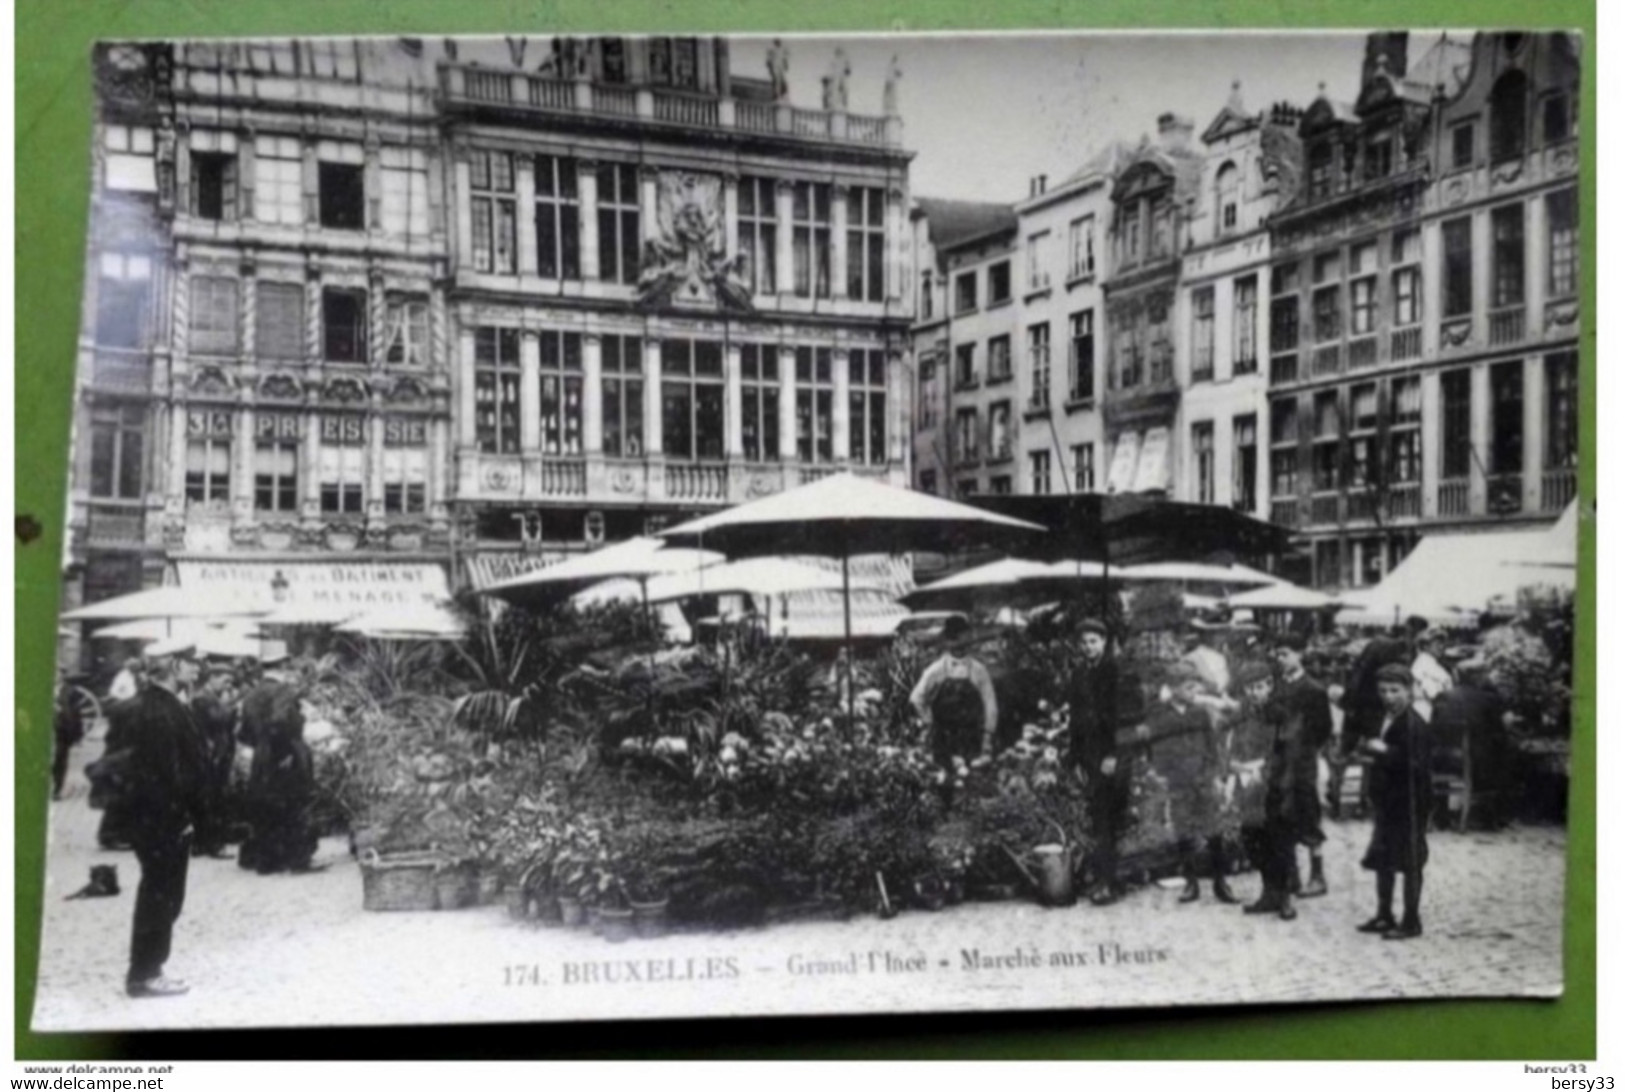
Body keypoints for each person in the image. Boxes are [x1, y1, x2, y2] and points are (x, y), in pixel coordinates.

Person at [120, 642, 209, 998]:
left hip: (155, 820)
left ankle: (146, 970)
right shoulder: (161, 711)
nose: (198, 670)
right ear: (173, 665)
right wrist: (181, 818)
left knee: (161, 895)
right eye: (191, 664)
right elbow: (165, 775)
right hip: (163, 822)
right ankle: (145, 974)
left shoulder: (157, 704)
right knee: (161, 896)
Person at [1065, 618, 1145, 906]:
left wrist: (1113, 754)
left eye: (1093, 641)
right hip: (1089, 754)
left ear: (1105, 641)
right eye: (1084, 642)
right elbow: (1075, 718)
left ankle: (1109, 883)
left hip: (1113, 755)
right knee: (1098, 817)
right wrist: (1073, 757)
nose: (1088, 647)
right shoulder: (1079, 674)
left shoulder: (1116, 671)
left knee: (1108, 818)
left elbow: (1126, 717)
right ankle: (1106, 877)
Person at [1145, 662, 1236, 905]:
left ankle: (1220, 881)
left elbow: (1211, 745)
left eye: (1195, 685)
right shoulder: (1160, 715)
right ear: (1173, 688)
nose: (1194, 691)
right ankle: (1191, 882)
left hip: (1203, 778)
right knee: (1184, 830)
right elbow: (1157, 748)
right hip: (1179, 781)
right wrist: (1163, 773)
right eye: (1188, 686)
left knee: (1214, 830)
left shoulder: (1200, 713)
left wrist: (1215, 774)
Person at [1356, 664, 1433, 940]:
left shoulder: (1414, 724)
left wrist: (1385, 751)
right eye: (1383, 691)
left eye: (1395, 690)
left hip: (1410, 802)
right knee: (1384, 858)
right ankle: (1384, 914)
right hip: (1388, 800)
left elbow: (1416, 765)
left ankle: (1411, 920)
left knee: (1410, 859)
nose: (1389, 696)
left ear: (1410, 691)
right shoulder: (1384, 718)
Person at [1271, 632, 1333, 899]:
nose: (1280, 659)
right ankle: (1291, 873)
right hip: (1279, 761)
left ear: (1300, 654)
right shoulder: (1275, 687)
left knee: (1308, 812)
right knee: (1282, 813)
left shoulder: (1314, 690)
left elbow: (1324, 729)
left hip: (1304, 760)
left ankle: (1318, 875)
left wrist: (1306, 749)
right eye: (1277, 655)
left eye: (1285, 654)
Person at [238, 673, 321, 875]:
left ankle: (268, 860)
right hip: (285, 753)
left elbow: (244, 733)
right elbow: (281, 721)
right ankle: (296, 858)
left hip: (262, 757)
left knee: (266, 806)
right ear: (282, 666)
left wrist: (262, 748)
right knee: (294, 803)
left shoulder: (250, 695)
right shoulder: (283, 690)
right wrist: (284, 752)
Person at [1228, 663, 1291, 917]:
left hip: (1274, 786)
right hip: (1246, 784)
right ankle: (1269, 892)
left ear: (1270, 686)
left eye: (1259, 687)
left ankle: (1285, 896)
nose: (1254, 692)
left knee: (1278, 841)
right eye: (1249, 688)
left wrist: (1263, 770)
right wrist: (1232, 764)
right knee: (1254, 839)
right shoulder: (1242, 714)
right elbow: (1230, 743)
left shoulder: (1281, 715)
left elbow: (1287, 752)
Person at [1333, 625, 1412, 817]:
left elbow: (1353, 685)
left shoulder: (1372, 649)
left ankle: (1336, 797)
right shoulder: (1392, 655)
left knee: (1345, 754)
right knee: (1388, 752)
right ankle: (1378, 800)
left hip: (1354, 719)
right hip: (1374, 721)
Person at [1432, 657, 1511, 830]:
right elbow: (1499, 731)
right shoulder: (1488, 699)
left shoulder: (1443, 696)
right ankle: (1491, 816)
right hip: (1474, 762)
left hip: (1440, 758)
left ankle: (1441, 814)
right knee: (1506, 755)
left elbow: (1434, 727)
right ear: (1479, 677)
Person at [909, 616, 998, 769]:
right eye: (956, 643)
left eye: (962, 643)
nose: (960, 648)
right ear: (949, 644)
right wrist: (929, 721)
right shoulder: (936, 669)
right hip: (943, 741)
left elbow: (991, 706)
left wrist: (987, 736)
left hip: (972, 740)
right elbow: (916, 698)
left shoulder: (979, 670)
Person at [189, 663, 239, 859]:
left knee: (209, 798)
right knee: (213, 799)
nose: (227, 686)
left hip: (216, 753)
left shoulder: (209, 698)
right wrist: (234, 706)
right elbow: (219, 719)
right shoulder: (203, 699)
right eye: (225, 681)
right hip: (212, 755)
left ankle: (201, 843)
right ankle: (214, 844)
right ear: (212, 678)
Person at [1410, 629, 1454, 723]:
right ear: (1425, 646)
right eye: (1438, 644)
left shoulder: (1431, 663)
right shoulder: (1424, 665)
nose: (1442, 647)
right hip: (1426, 712)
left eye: (1443, 643)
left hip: (1434, 710)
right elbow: (1434, 695)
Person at [52, 679, 85, 800]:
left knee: (60, 760)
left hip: (63, 731)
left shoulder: (71, 691)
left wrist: (78, 735)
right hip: (49, 729)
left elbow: (76, 714)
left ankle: (57, 789)